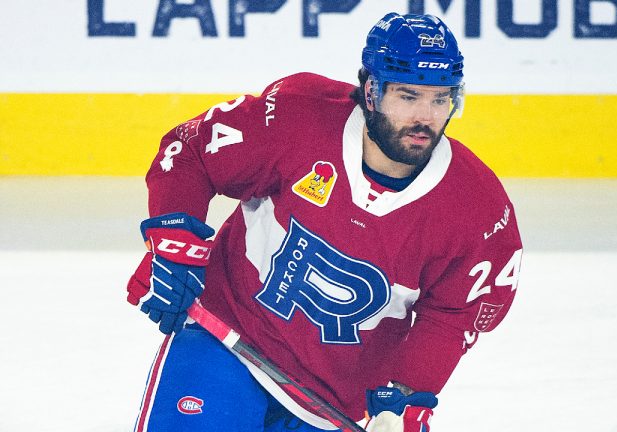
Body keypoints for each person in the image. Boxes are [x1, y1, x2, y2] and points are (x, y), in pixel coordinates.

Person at [126, 11, 523, 432]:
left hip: (339, 402)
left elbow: (452, 315)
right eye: (408, 97)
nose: (425, 117)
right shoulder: (297, 117)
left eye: (440, 99)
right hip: (225, 339)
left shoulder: (477, 208)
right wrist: (174, 242)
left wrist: (405, 399)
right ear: (371, 91)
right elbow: (191, 152)